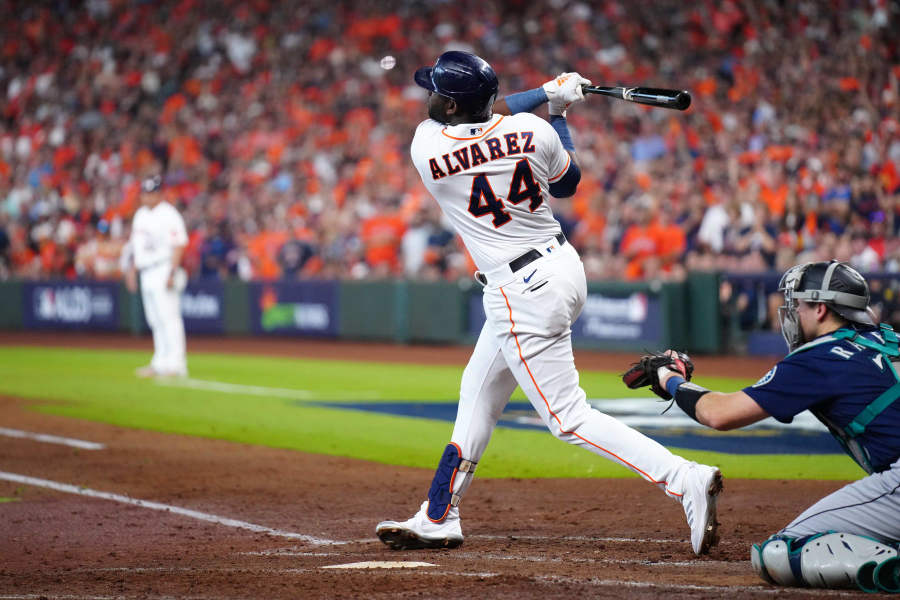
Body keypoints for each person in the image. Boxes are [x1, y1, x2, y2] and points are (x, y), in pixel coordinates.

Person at [375, 50, 723, 557]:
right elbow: (566, 184)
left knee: (568, 418)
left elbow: (495, 119)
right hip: (560, 267)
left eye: (437, 92)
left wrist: (547, 95)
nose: (429, 96)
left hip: (520, 292)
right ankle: (438, 515)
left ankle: (684, 477)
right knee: (476, 396)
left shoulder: (426, 147)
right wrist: (557, 115)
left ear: (451, 107)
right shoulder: (531, 131)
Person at [651, 260, 900, 592]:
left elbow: (718, 414)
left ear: (821, 309)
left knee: (781, 552)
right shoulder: (891, 338)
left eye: (798, 303)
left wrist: (669, 379)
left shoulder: (820, 357)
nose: (793, 312)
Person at [121, 174, 189, 378]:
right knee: (155, 320)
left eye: (151, 193)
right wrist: (132, 270)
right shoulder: (141, 214)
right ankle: (160, 362)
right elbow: (136, 247)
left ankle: (176, 364)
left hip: (163, 267)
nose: (147, 197)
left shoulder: (169, 214)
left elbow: (179, 244)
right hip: (146, 270)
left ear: (160, 194)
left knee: (169, 318)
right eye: (145, 193)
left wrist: (172, 271)